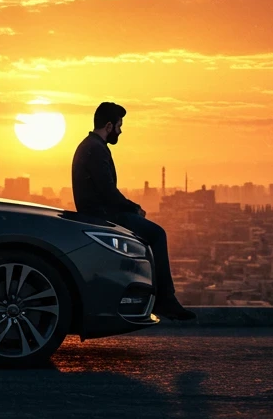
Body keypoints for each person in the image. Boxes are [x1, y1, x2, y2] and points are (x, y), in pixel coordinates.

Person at [71, 102, 196, 322]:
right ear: (109, 126)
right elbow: (108, 192)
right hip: (102, 214)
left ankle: (156, 297)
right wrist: (134, 208)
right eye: (119, 126)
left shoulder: (90, 146)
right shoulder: (96, 149)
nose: (121, 131)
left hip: (98, 211)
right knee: (157, 234)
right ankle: (165, 299)